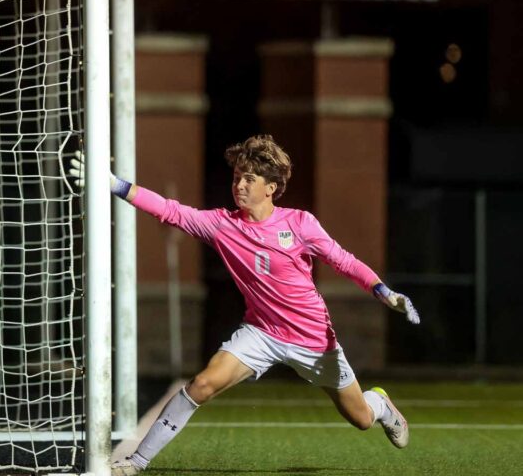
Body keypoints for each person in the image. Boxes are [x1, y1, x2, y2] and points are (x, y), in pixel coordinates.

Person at [69, 135, 420, 475]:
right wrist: (116, 185)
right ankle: (135, 463)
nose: (239, 185)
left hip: (314, 341)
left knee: (359, 418)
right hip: (261, 334)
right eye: (237, 177)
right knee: (202, 384)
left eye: (249, 179)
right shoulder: (222, 225)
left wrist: (382, 291)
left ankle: (382, 406)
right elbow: (171, 212)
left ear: (270, 188)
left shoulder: (300, 223)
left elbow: (343, 260)